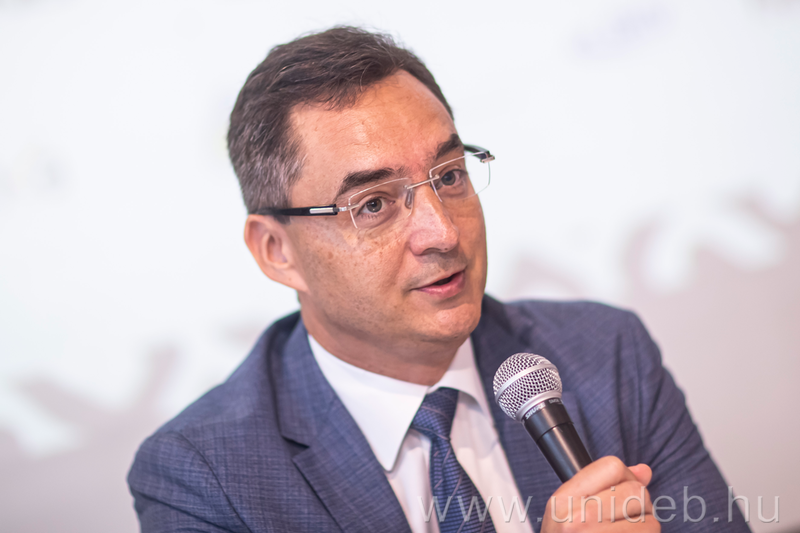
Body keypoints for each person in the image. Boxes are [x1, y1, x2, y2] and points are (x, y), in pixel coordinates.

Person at [127, 27, 750, 533]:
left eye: (450, 176)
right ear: (276, 250)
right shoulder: (204, 477)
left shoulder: (605, 355)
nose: (443, 232)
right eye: (373, 204)